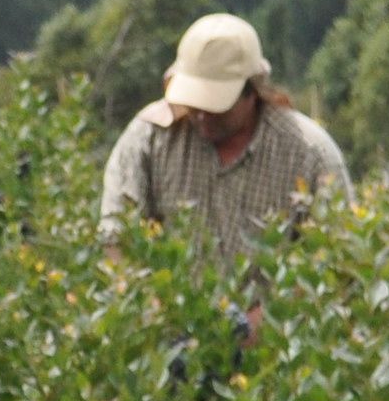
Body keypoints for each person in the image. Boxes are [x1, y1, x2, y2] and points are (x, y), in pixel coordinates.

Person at [98, 13, 349, 251]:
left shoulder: (308, 152)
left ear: (252, 92)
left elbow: (338, 251)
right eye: (194, 103)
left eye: (216, 106)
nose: (202, 115)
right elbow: (116, 233)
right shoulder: (149, 137)